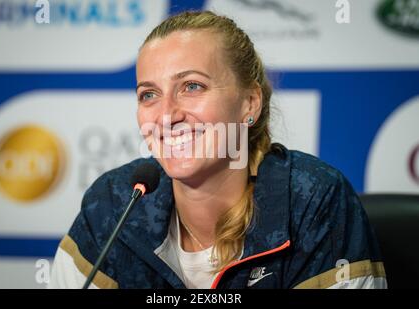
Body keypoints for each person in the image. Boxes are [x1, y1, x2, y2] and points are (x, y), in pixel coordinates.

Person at [48, 11, 387, 289]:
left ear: (249, 103)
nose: (167, 116)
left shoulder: (314, 200)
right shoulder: (112, 202)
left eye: (191, 86)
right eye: (148, 94)